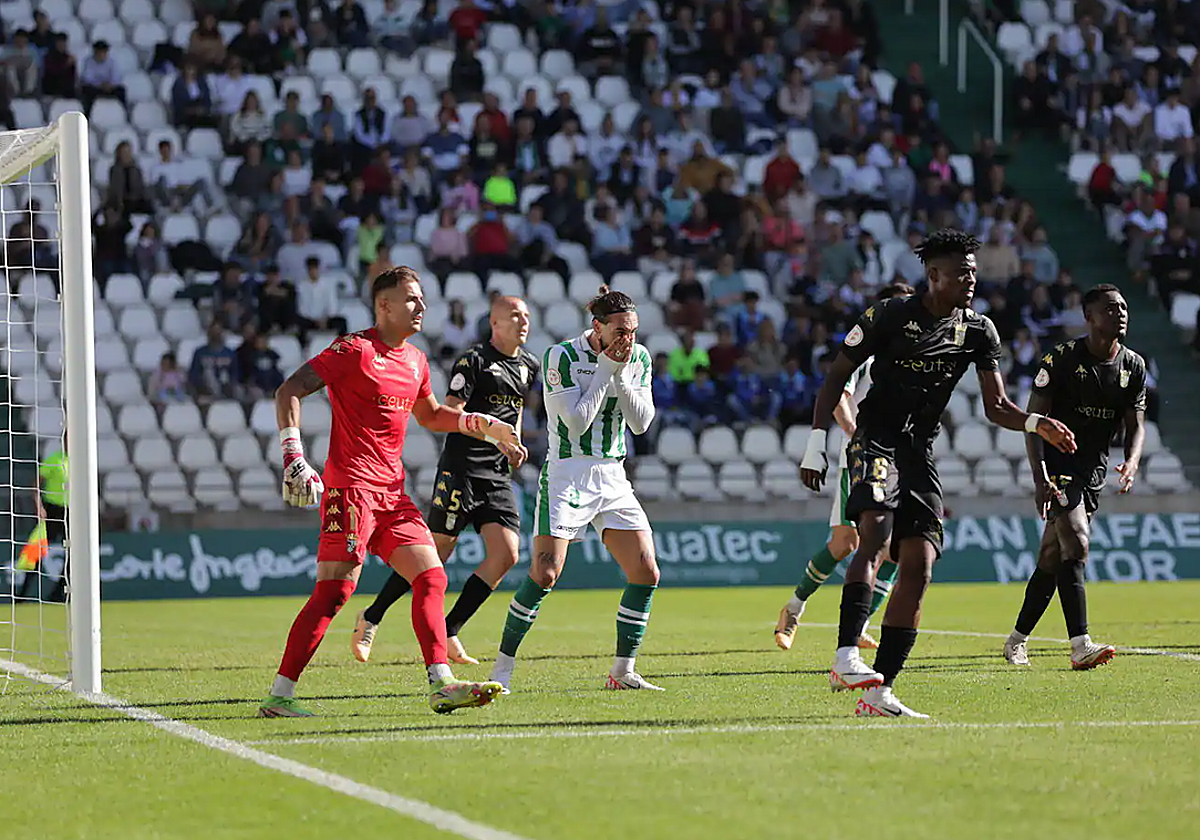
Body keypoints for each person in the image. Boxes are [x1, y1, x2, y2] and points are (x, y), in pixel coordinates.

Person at [798, 230, 1075, 718]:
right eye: (960, 271)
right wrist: (815, 446)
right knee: (876, 539)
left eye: (973, 269)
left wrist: (1037, 422)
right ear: (934, 275)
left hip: (919, 451)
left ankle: (880, 693)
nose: (971, 278)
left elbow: (996, 407)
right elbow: (835, 377)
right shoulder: (889, 315)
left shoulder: (978, 331)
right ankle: (846, 657)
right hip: (875, 437)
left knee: (921, 565)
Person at [257, 266, 522, 718]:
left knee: (432, 576)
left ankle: (442, 684)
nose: (422, 307)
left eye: (421, 299)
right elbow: (290, 390)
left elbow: (431, 414)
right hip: (352, 490)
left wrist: (483, 425)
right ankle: (280, 695)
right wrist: (294, 455)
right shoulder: (353, 350)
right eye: (413, 299)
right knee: (334, 593)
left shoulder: (416, 361)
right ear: (385, 306)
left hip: (393, 495)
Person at [351, 296, 540, 665]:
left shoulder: (529, 365)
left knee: (506, 555)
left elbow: (512, 411)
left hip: (497, 474)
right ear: (495, 323)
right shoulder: (474, 361)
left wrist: (512, 443)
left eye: (527, 316)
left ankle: (450, 628)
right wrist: (493, 435)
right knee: (435, 554)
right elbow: (451, 411)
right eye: (515, 316)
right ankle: (371, 616)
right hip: (462, 468)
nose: (523, 322)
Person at [489, 287, 660, 693]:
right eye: (620, 331)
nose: (628, 339)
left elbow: (641, 424)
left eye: (632, 331)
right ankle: (501, 670)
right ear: (596, 327)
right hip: (568, 474)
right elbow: (577, 423)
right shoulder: (561, 356)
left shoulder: (638, 357)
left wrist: (617, 371)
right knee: (545, 573)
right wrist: (605, 369)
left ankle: (622, 672)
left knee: (646, 572)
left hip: (612, 474)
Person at [1002, 285, 1144, 670]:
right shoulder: (1060, 360)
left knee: (1052, 555)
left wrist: (1131, 461)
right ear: (1089, 316)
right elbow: (1034, 424)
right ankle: (1080, 644)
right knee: (1078, 543)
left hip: (1093, 470)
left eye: (1124, 307)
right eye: (1111, 308)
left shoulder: (1133, 366)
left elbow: (1136, 425)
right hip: (1058, 465)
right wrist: (1040, 477)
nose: (1121, 313)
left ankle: (1016, 641)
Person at [774, 282, 915, 653]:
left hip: (900, 455)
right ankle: (793, 608)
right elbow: (839, 394)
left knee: (897, 549)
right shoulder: (867, 352)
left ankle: (863, 622)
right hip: (861, 455)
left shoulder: (913, 355)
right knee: (844, 543)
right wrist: (856, 433)